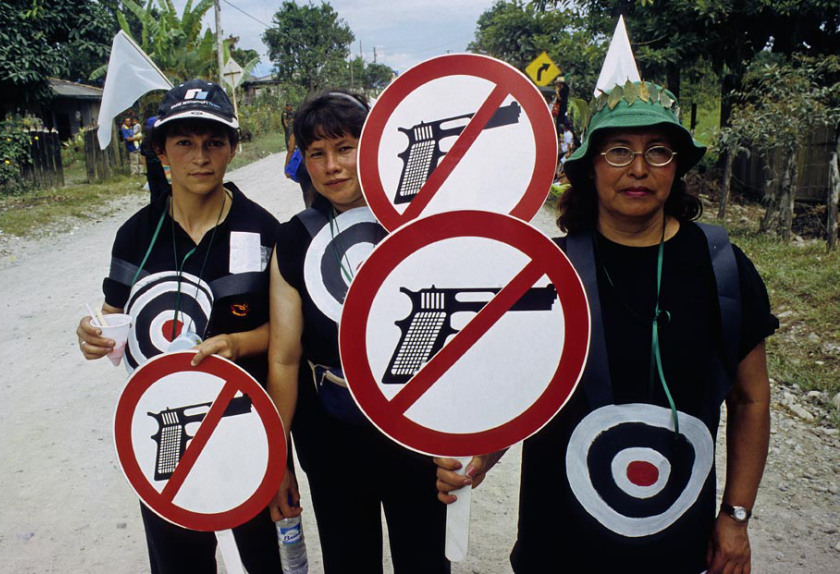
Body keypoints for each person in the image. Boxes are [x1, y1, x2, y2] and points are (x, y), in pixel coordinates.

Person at [436, 79, 777, 574]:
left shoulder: (720, 265)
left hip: (678, 540)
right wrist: (476, 459)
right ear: (589, 167)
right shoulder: (546, 271)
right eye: (618, 151)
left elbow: (751, 399)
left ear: (677, 166)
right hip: (561, 540)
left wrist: (735, 516)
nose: (638, 169)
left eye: (658, 151)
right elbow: (517, 393)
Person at [76, 79, 282, 574]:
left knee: (256, 561)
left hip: (243, 428)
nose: (200, 157)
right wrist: (92, 333)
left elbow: (287, 336)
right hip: (163, 430)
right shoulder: (135, 235)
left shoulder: (264, 230)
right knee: (178, 562)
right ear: (161, 150)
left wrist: (235, 343)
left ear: (233, 147)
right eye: (184, 142)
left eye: (213, 141)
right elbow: (114, 316)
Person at [267, 89, 450, 574]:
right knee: (348, 558)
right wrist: (275, 457)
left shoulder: (421, 224)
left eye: (345, 147)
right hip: (330, 429)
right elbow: (284, 357)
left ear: (375, 146)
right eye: (317, 154)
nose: (331, 166)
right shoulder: (294, 239)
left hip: (415, 423)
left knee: (425, 556)